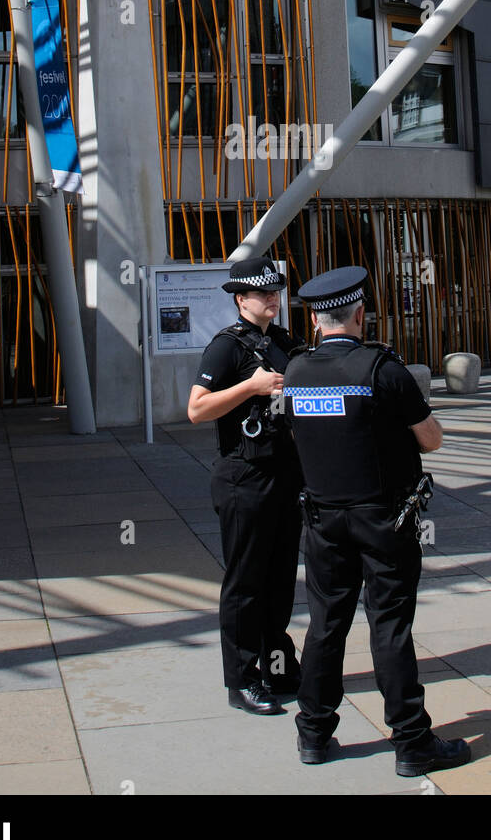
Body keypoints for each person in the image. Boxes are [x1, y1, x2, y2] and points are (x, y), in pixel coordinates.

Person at [283, 265, 472, 776]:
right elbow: (431, 439)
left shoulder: (297, 372)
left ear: (318, 321)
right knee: (389, 626)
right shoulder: (383, 370)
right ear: (361, 313)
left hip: (323, 519)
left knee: (325, 626)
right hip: (382, 518)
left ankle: (314, 735)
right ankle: (411, 743)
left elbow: (301, 439)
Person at [188, 256, 304, 715]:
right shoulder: (226, 347)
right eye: (262, 293)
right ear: (241, 299)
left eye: (275, 291)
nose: (272, 298)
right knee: (245, 583)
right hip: (244, 477)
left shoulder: (284, 342)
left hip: (284, 472)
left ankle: (277, 666)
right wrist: (250, 388)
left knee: (279, 580)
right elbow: (197, 409)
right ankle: (241, 680)